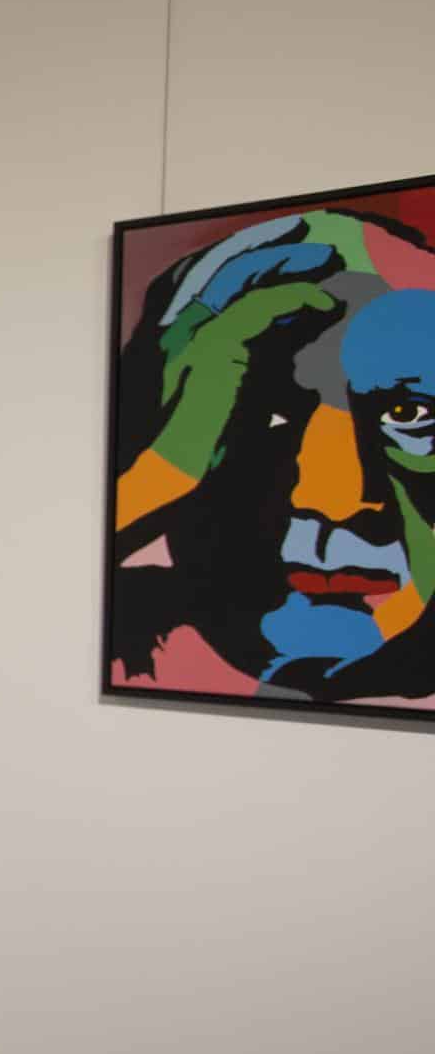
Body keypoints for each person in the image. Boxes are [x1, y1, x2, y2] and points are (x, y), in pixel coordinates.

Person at [109, 207, 435, 704]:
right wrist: (150, 476)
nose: (334, 502)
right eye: (268, 412)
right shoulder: (123, 635)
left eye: (409, 413)